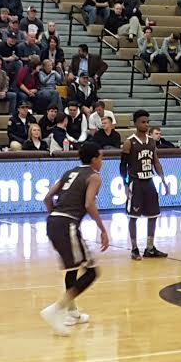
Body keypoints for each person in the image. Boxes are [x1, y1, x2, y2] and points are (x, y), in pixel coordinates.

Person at [39, 142, 108, 336]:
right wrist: (102, 229)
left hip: (53, 222)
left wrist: (56, 216)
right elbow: (88, 204)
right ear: (94, 159)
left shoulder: (69, 172)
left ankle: (73, 312)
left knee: (73, 267)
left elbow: (47, 198)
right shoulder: (94, 176)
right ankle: (55, 310)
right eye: (101, 157)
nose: (102, 161)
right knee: (92, 272)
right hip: (67, 224)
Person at [121, 110, 169, 260]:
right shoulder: (129, 142)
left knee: (153, 215)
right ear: (135, 123)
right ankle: (134, 248)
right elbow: (123, 166)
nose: (146, 124)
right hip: (135, 183)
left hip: (149, 181)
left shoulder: (152, 141)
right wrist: (125, 183)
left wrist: (163, 180)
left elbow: (156, 162)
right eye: (143, 122)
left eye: (147, 122)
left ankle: (150, 248)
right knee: (133, 216)